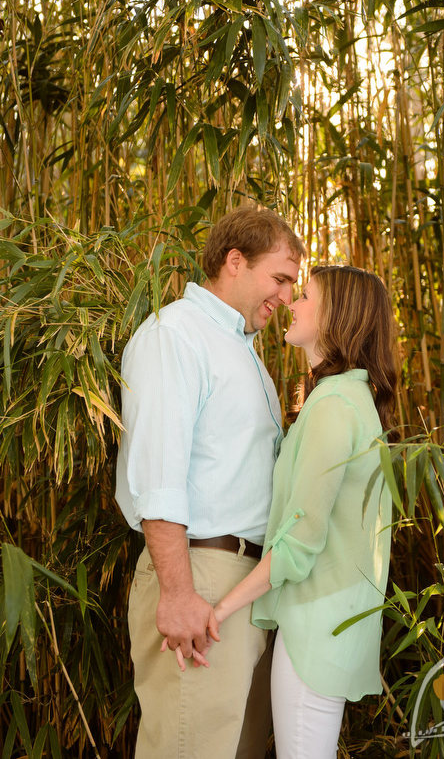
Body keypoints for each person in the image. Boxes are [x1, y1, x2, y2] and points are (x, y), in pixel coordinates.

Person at [115, 205, 304, 759]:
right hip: (198, 575)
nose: (287, 296)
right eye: (281, 278)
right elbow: (159, 470)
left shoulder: (242, 352)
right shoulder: (177, 334)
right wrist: (177, 592)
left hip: (242, 585)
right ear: (235, 261)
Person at [208, 265, 398, 759]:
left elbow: (298, 544)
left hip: (317, 628)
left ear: (338, 318)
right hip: (329, 620)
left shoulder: (335, 405)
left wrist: (220, 609)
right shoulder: (347, 400)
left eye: (306, 294)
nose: (290, 301)